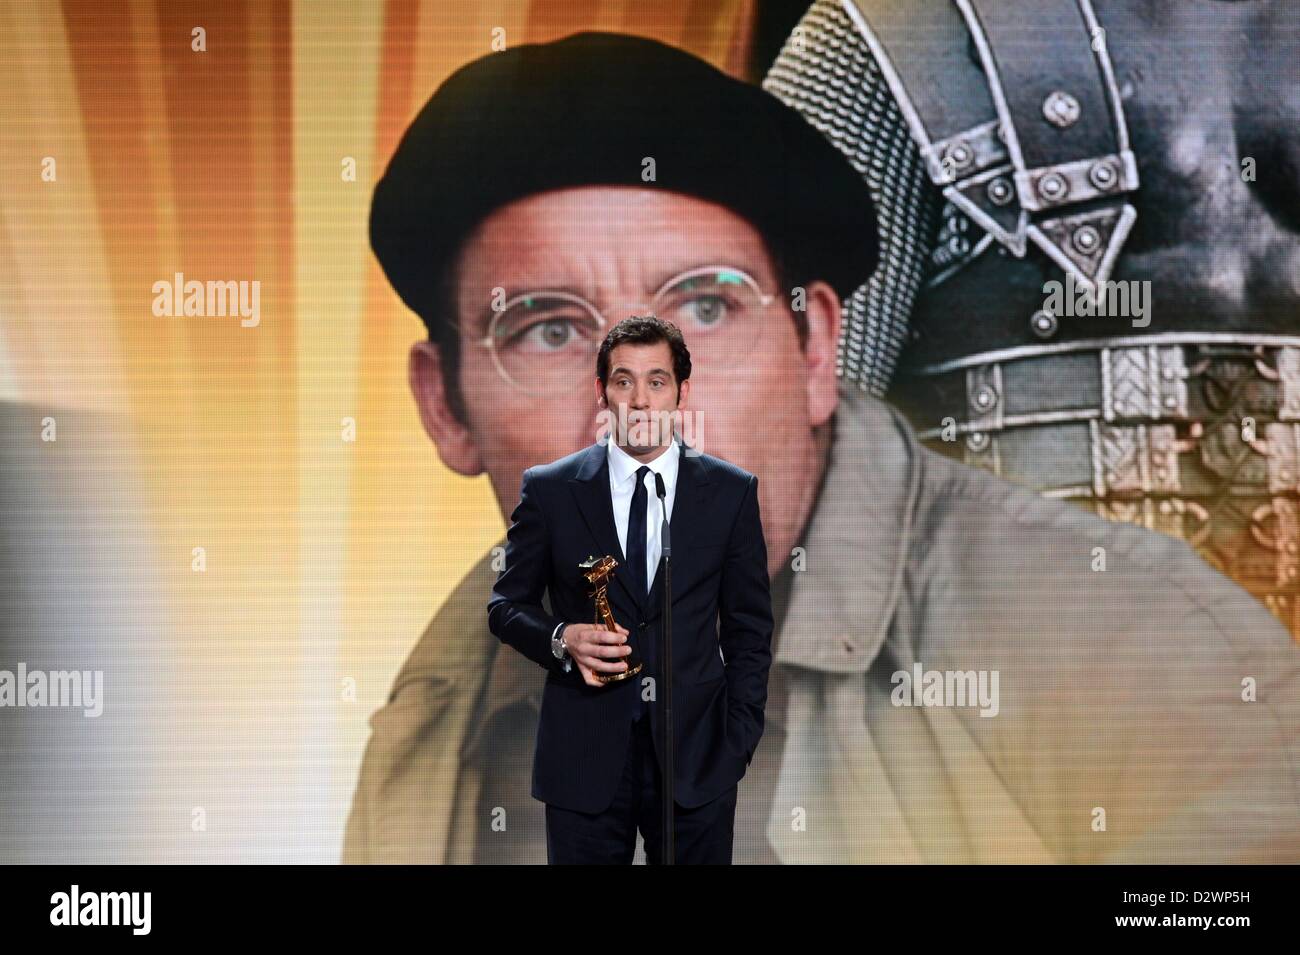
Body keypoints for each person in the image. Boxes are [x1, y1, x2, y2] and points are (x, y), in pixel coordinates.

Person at [343, 32, 1300, 864]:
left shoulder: (1129, 653)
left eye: (705, 308)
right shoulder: (437, 721)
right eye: (549, 330)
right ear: (447, 408)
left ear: (815, 349)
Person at [486, 315, 772, 864]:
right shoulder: (549, 490)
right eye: (623, 381)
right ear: (602, 392)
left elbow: (749, 631)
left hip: (698, 760)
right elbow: (505, 607)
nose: (640, 399)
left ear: (681, 391)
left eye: (656, 381)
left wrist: (736, 740)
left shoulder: (731, 493)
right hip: (583, 759)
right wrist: (561, 637)